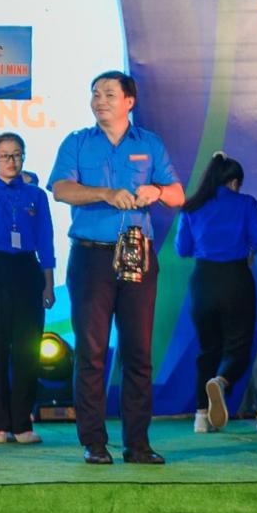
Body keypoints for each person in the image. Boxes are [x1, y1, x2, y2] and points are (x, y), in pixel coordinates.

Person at [48, 69, 185, 466]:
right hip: (91, 256)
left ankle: (137, 443)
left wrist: (157, 191)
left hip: (137, 252)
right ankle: (94, 442)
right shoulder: (77, 142)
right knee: (91, 352)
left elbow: (178, 194)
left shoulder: (150, 144)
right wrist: (105, 193)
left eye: (109, 94)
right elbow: (61, 189)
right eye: (95, 94)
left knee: (138, 351)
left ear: (129, 101)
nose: (100, 100)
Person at [0, 132, 55, 444]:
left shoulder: (36, 196)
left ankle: (22, 423)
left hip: (27, 270)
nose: (11, 161)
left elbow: (46, 240)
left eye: (16, 155)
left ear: (24, 157)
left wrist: (48, 283)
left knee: (28, 349)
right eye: (4, 156)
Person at [178, 153, 257, 433]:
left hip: (203, 280)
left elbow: (182, 249)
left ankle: (201, 416)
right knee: (238, 348)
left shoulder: (192, 207)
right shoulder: (246, 203)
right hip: (235, 278)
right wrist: (246, 249)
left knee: (208, 350)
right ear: (234, 182)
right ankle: (221, 381)